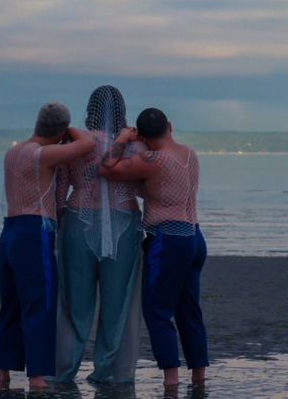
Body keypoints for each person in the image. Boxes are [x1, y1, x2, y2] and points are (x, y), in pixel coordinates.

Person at [99, 108, 209, 386]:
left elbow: (105, 168)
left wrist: (123, 138)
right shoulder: (189, 153)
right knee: (189, 311)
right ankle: (199, 377)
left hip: (168, 240)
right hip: (195, 238)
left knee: (157, 312)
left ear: (144, 138)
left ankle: (170, 381)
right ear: (170, 126)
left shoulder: (152, 159)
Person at [0, 102, 96, 389]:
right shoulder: (45, 154)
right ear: (61, 130)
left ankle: (4, 374)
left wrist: (60, 130)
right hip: (34, 231)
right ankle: (37, 379)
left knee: (11, 305)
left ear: (37, 123)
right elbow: (87, 144)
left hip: (10, 231)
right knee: (39, 305)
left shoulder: (13, 151)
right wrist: (71, 131)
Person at [55, 86, 148, 383]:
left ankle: (63, 372)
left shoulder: (73, 142)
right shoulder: (137, 145)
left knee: (73, 304)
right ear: (122, 110)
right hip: (124, 221)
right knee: (117, 304)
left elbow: (59, 192)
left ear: (89, 110)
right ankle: (110, 374)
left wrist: (58, 227)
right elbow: (146, 190)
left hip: (77, 221)